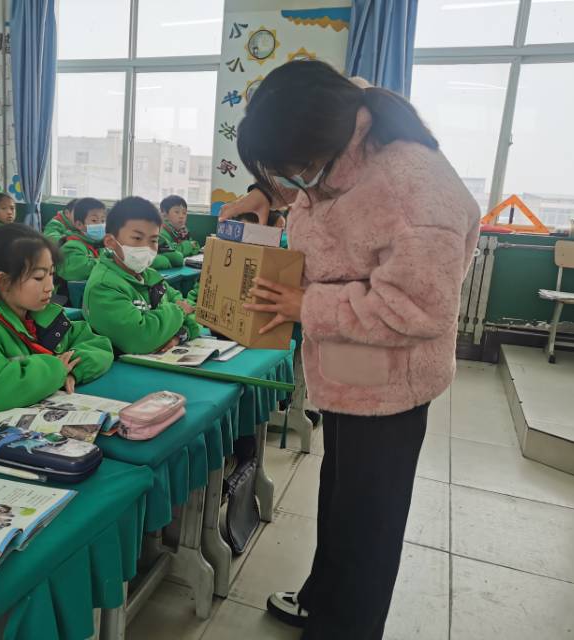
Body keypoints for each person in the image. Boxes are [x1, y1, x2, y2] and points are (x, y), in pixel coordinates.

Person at [218, 60, 480, 640]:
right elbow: (318, 185)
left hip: (390, 382)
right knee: (340, 498)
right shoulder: (341, 121)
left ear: (330, 141)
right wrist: (265, 193)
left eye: (296, 170)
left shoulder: (414, 189)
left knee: (369, 525)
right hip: (345, 369)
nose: (296, 182)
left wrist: (306, 304)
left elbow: (419, 309)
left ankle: (347, 626)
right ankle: (323, 600)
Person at [0, 224, 113, 429]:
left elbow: (98, 345)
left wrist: (72, 371)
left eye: (51, 274)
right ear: (3, 281)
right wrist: (57, 369)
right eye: (38, 277)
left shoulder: (44, 315)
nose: (50, 287)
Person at [82, 196, 201, 354]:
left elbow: (192, 314)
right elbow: (140, 339)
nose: (146, 247)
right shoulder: (103, 286)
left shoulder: (150, 276)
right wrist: (179, 312)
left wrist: (180, 335)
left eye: (153, 240)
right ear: (110, 242)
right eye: (137, 238)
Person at [57, 197, 107, 281]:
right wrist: (110, 263)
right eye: (94, 220)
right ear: (79, 224)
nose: (100, 225)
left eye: (103, 221)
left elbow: (108, 255)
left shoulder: (97, 243)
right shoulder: (72, 246)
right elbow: (80, 270)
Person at [154, 195, 200, 269]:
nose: (181, 216)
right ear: (165, 214)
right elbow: (172, 250)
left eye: (184, 213)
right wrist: (189, 246)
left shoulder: (183, 230)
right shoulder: (161, 230)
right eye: (177, 212)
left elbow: (196, 246)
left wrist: (188, 247)